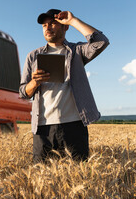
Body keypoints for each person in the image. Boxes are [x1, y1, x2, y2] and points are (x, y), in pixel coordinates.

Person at [19, 9, 109, 163]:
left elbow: (101, 42)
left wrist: (73, 20)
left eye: (53, 23)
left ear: (64, 26)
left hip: (74, 125)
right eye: (44, 25)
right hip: (43, 128)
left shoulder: (77, 51)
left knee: (78, 176)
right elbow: (23, 93)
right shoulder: (33, 56)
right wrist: (35, 82)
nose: (47, 28)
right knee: (43, 179)